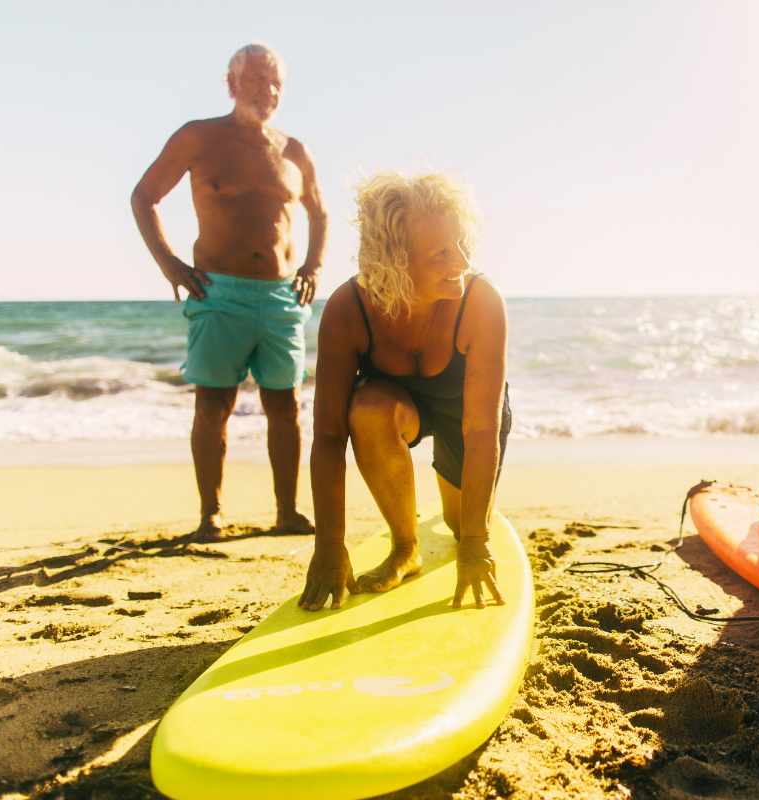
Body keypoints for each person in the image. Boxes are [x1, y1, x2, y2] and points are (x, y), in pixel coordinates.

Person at [130, 43, 325, 540]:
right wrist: (170, 264)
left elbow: (319, 213)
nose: (269, 90)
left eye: (276, 81)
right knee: (213, 404)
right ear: (231, 83)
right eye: (258, 79)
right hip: (219, 293)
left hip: (282, 297)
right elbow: (144, 196)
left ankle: (287, 512)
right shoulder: (199, 138)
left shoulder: (294, 150)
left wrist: (313, 267)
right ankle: (210, 515)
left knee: (285, 405)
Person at [298, 173, 512, 612]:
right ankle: (404, 548)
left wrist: (475, 544)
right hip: (396, 410)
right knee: (367, 409)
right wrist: (329, 545)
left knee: (459, 526)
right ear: (394, 260)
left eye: (461, 245)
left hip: (467, 416)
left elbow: (480, 428)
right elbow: (330, 436)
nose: (461, 262)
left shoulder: (480, 302)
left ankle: (455, 512)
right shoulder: (349, 310)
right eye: (440, 254)